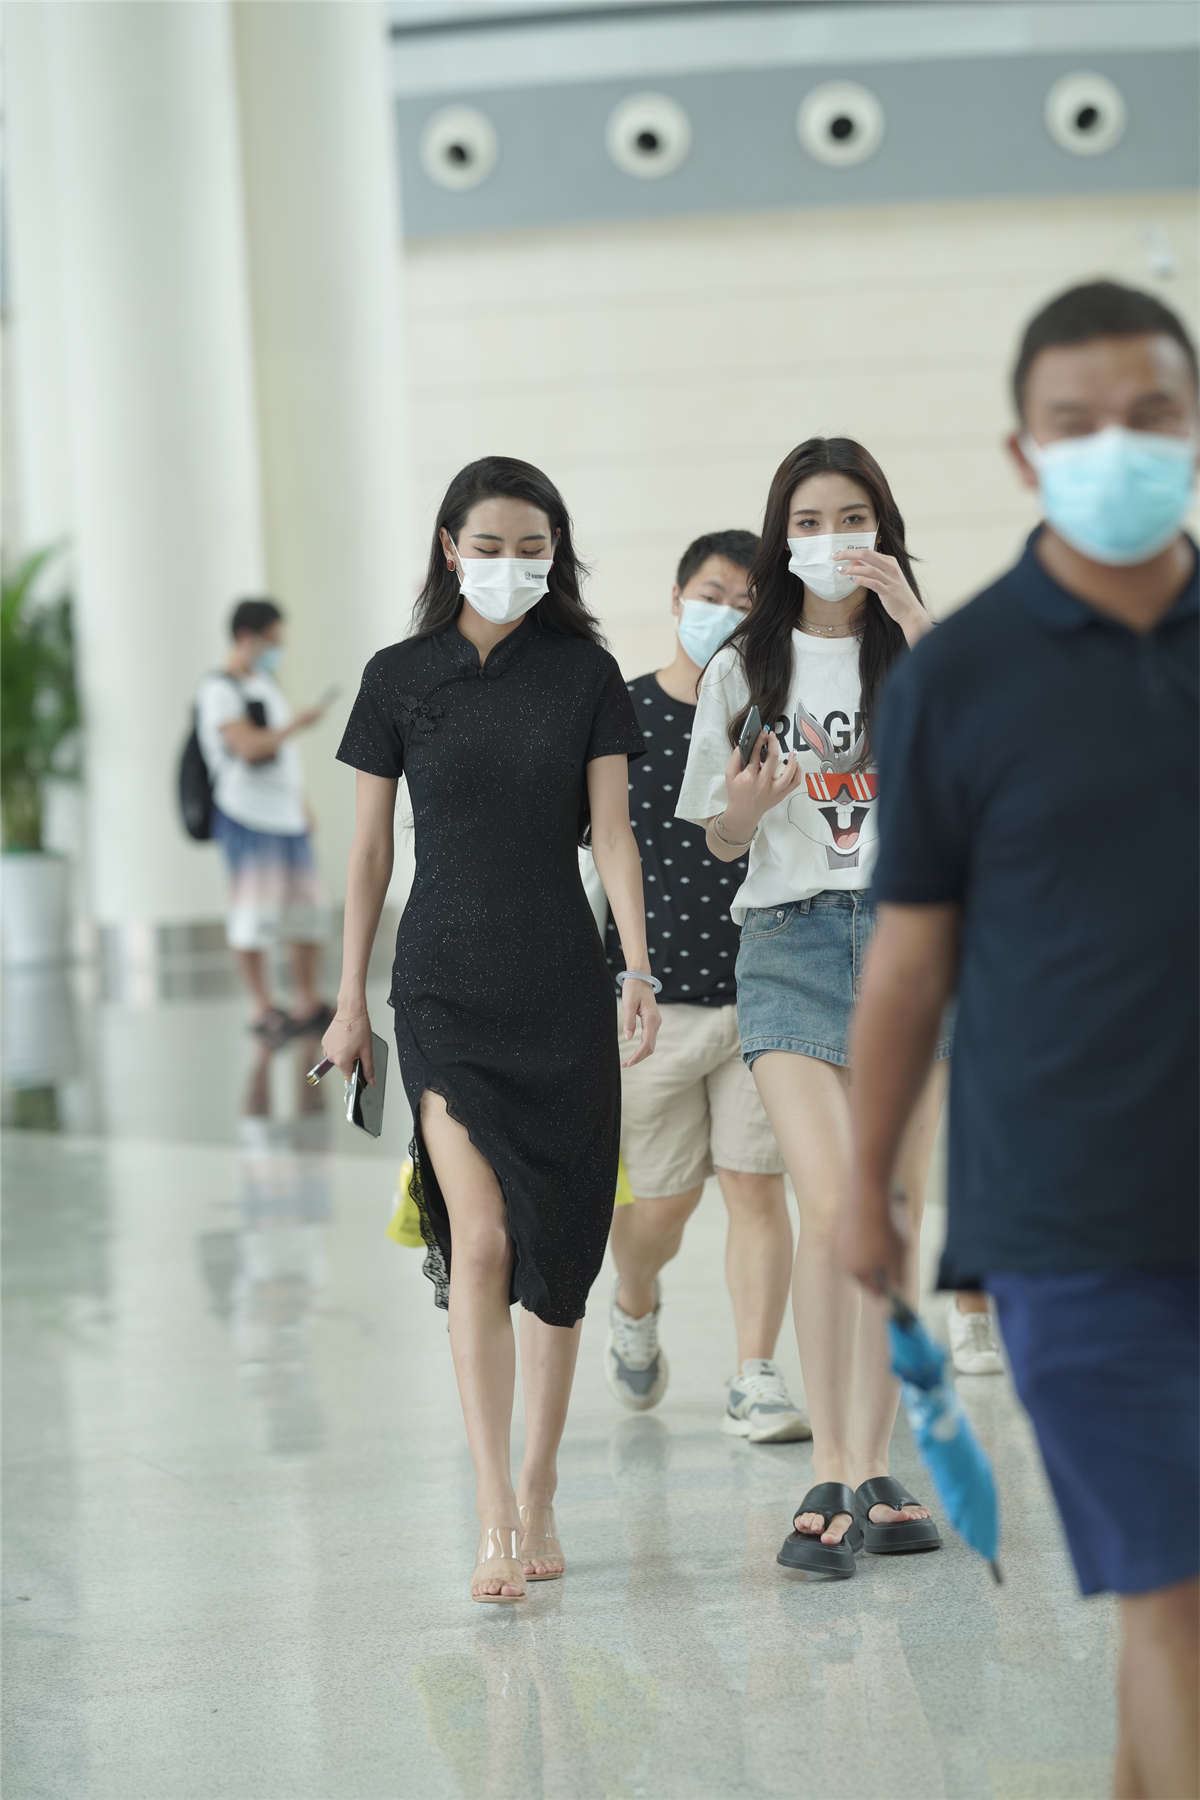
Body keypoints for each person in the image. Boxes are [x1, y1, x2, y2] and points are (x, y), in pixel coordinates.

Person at [840, 280, 1198, 1799]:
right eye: (1077, 422)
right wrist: (870, 1186)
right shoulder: (958, 678)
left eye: (1152, 415)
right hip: (1069, 1219)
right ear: (1022, 450)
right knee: (1179, 1593)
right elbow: (911, 961)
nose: (1116, 444)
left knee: (1174, 1612)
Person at [324, 456, 659, 1605]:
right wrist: (349, 997)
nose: (512, 564)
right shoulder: (397, 677)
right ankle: (493, 1512)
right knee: (479, 1240)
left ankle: (542, 1481)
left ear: (555, 553)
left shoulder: (587, 674)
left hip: (562, 986)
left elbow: (614, 834)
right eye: (491, 545)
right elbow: (371, 851)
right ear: (449, 547)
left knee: (558, 1254)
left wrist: (638, 965)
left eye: (533, 546)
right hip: (442, 991)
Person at [675, 438, 948, 1578]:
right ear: (780, 536)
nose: (831, 541)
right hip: (788, 942)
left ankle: (873, 1467)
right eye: (808, 521)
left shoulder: (921, 651)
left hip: (912, 947)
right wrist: (744, 811)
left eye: (851, 519)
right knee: (833, 1206)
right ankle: (829, 1462)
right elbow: (719, 835)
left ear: (883, 527)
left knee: (892, 1213)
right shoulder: (746, 663)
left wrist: (918, 620)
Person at [587, 530, 806, 1442]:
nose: (728, 614)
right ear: (677, 598)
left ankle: (755, 1375)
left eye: (749, 603)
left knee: (757, 1188)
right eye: (714, 594)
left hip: (764, 991)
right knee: (662, 1204)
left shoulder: (773, 719)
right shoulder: (622, 716)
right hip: (653, 1001)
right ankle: (635, 1299)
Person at [196, 598, 333, 1043]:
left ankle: (307, 1000)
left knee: (307, 911)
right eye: (272, 641)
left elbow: (282, 759)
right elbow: (249, 746)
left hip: (286, 817)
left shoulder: (264, 683)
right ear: (246, 637)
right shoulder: (219, 690)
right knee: (253, 914)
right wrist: (298, 724)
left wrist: (302, 805)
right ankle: (261, 1007)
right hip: (247, 816)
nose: (277, 650)